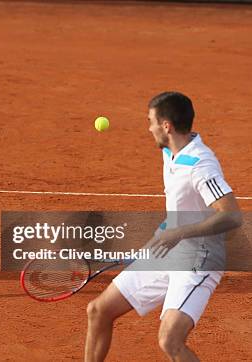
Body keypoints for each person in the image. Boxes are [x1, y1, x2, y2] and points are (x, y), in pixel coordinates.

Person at [84, 92, 242, 361]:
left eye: (151, 121)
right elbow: (180, 213)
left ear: (166, 125)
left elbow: (232, 217)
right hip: (168, 252)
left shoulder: (200, 164)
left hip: (199, 259)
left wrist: (180, 232)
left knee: (170, 340)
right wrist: (154, 244)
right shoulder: (170, 152)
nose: (149, 128)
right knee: (98, 310)